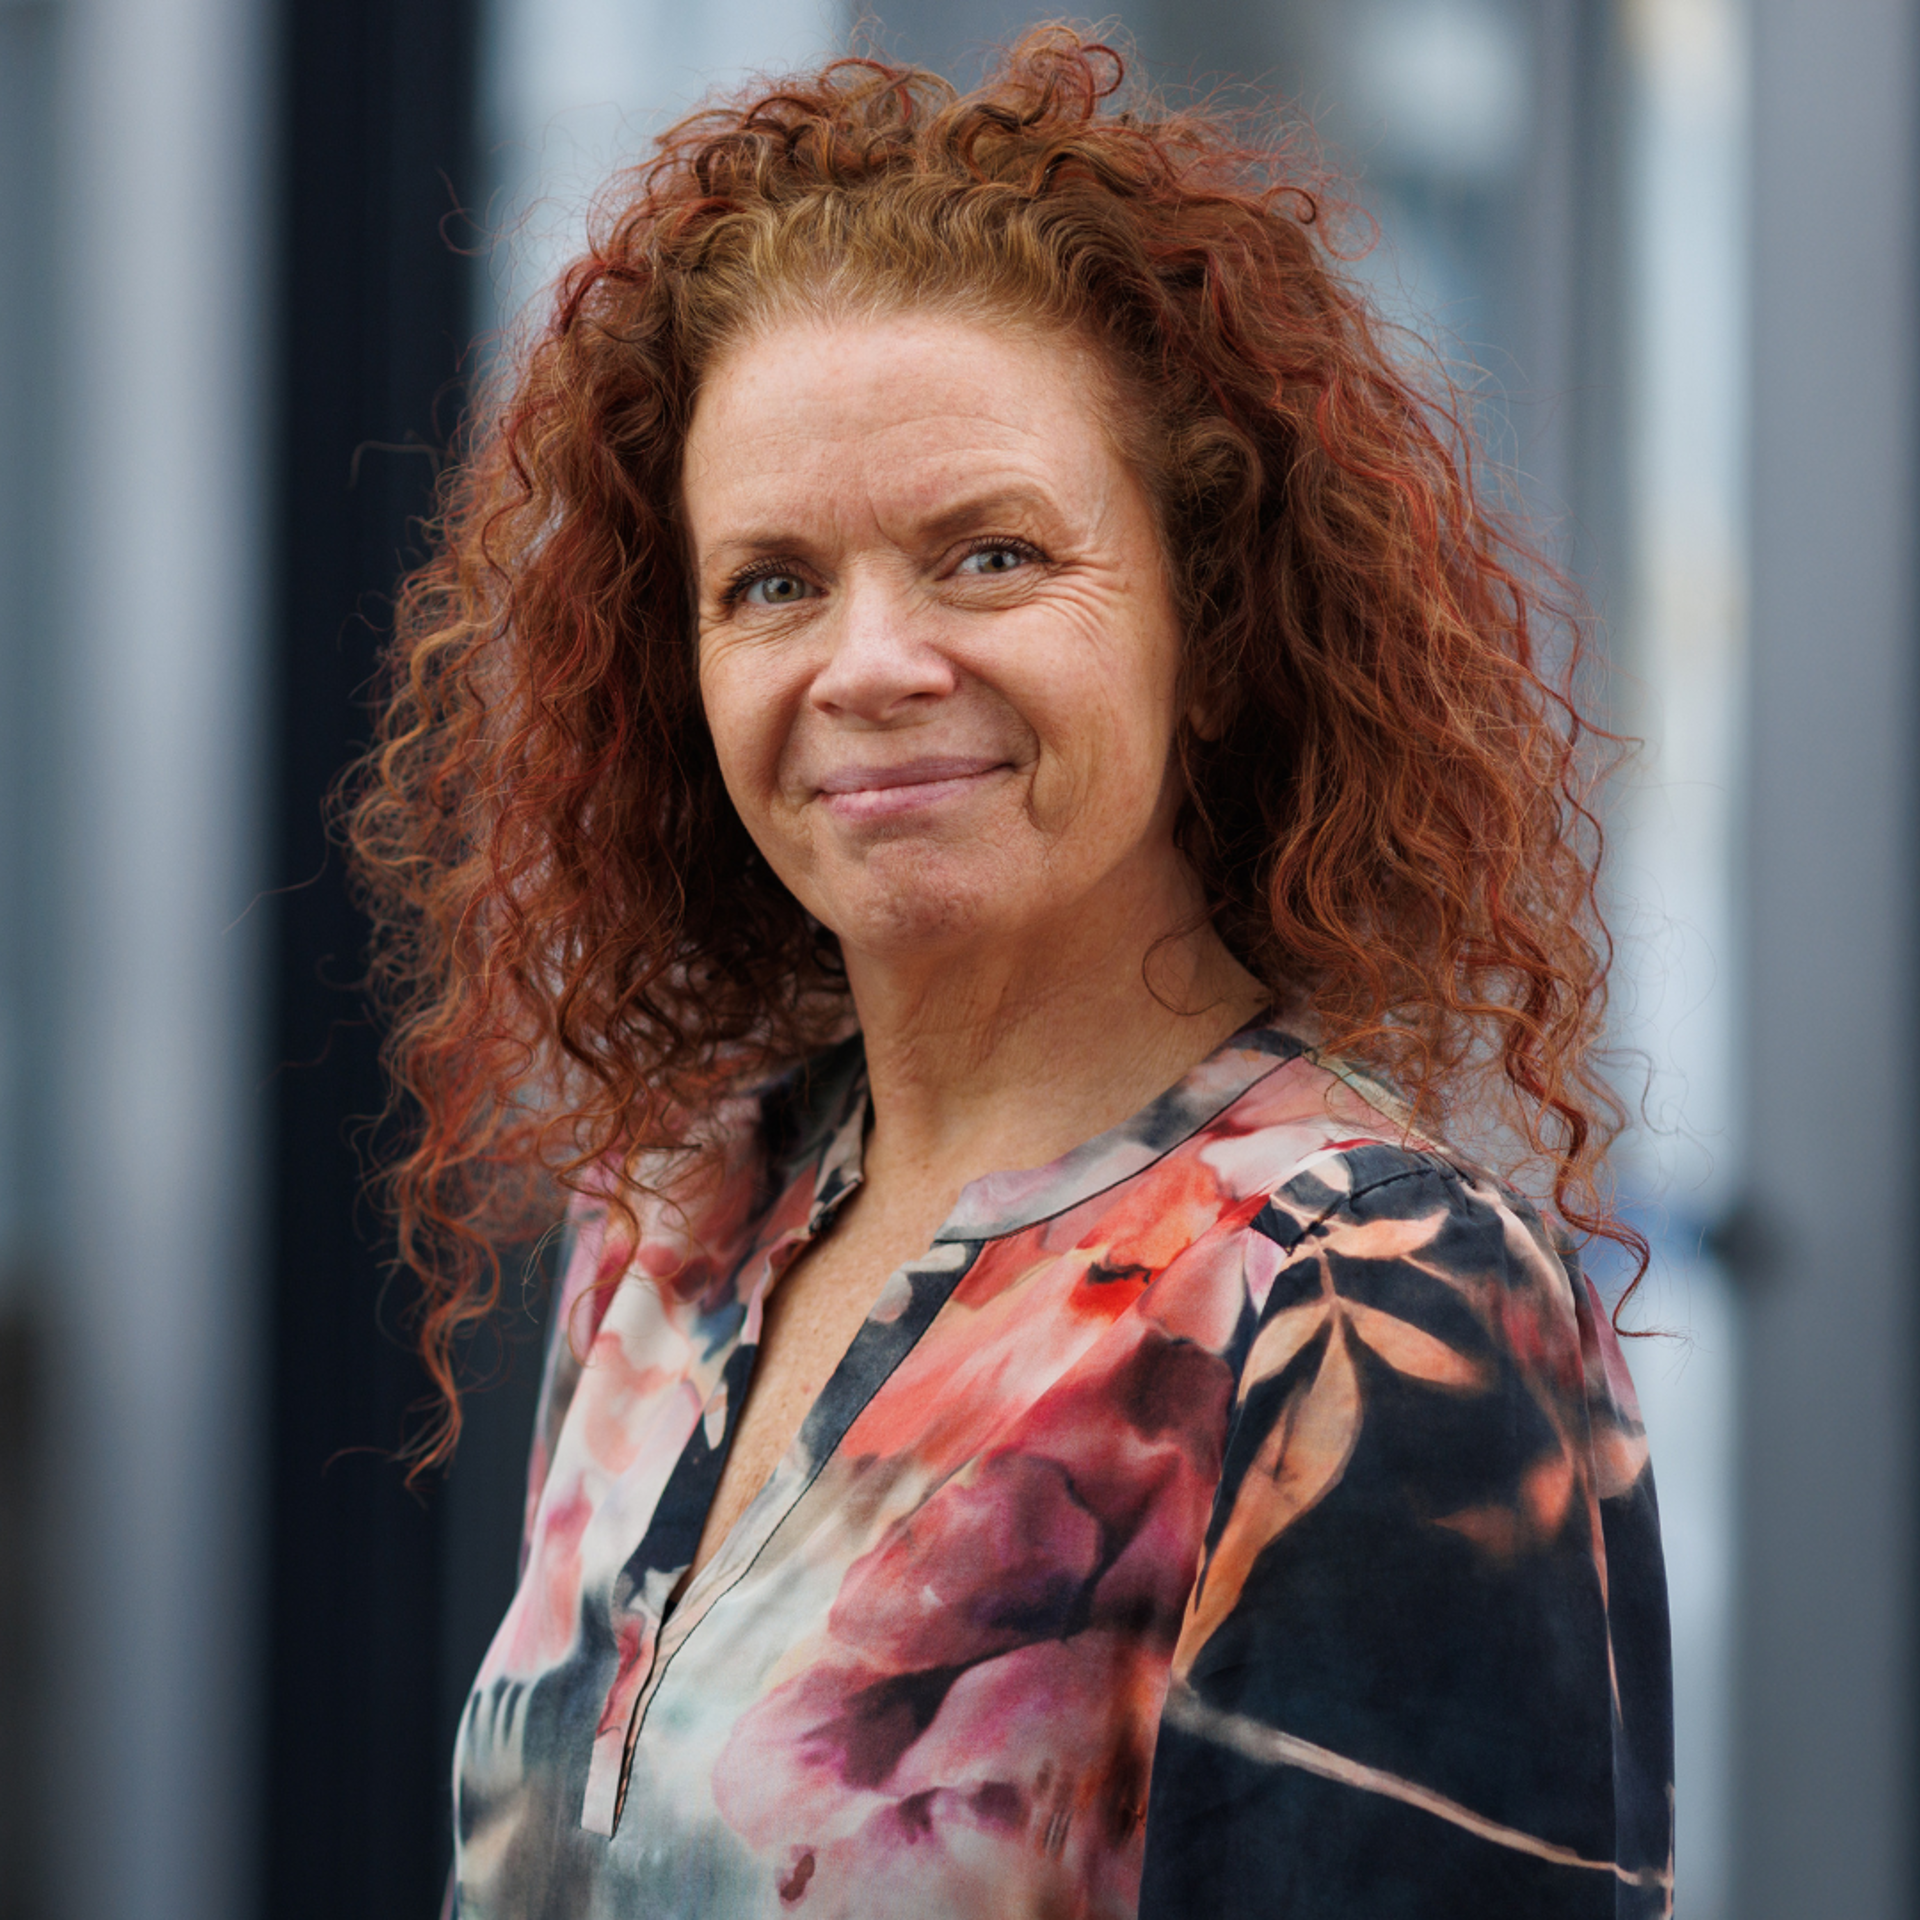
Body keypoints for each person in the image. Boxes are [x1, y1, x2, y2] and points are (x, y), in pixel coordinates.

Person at [348, 31, 1672, 1918]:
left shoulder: (1364, 1298)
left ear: (1214, 630)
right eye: (773, 582)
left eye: (988, 554)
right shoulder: (673, 1224)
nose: (869, 664)